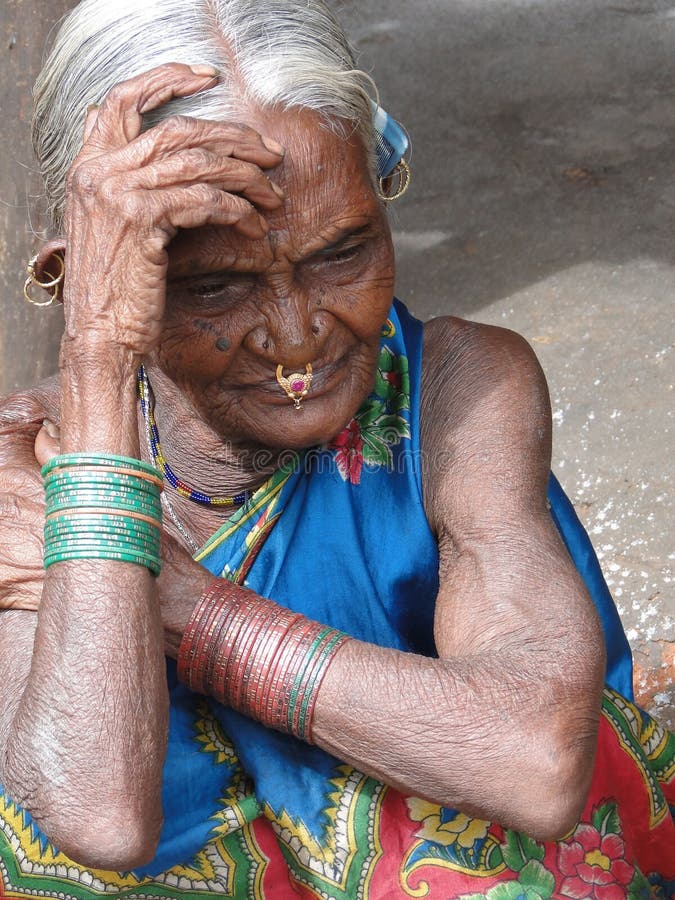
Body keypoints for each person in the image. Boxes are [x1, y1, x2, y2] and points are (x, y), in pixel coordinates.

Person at [0, 0, 672, 896]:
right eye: (216, 286)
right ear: (90, 277)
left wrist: (189, 609)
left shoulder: (456, 394)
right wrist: (98, 358)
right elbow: (98, 817)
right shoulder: (27, 468)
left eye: (342, 252)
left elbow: (535, 764)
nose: (296, 336)